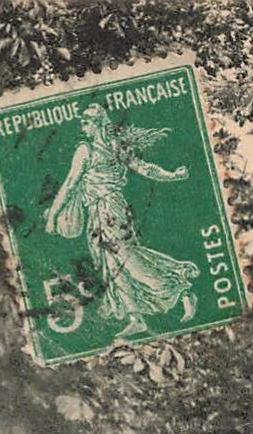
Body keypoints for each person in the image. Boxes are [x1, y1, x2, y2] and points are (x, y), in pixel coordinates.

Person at [45, 105, 199, 341]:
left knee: (129, 260)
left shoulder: (86, 150)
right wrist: (173, 175)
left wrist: (54, 215)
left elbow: (69, 185)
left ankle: (180, 288)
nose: (82, 126)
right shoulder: (111, 147)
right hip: (101, 212)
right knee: (112, 264)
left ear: (97, 124)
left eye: (86, 121)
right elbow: (145, 168)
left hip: (109, 210)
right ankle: (136, 318)